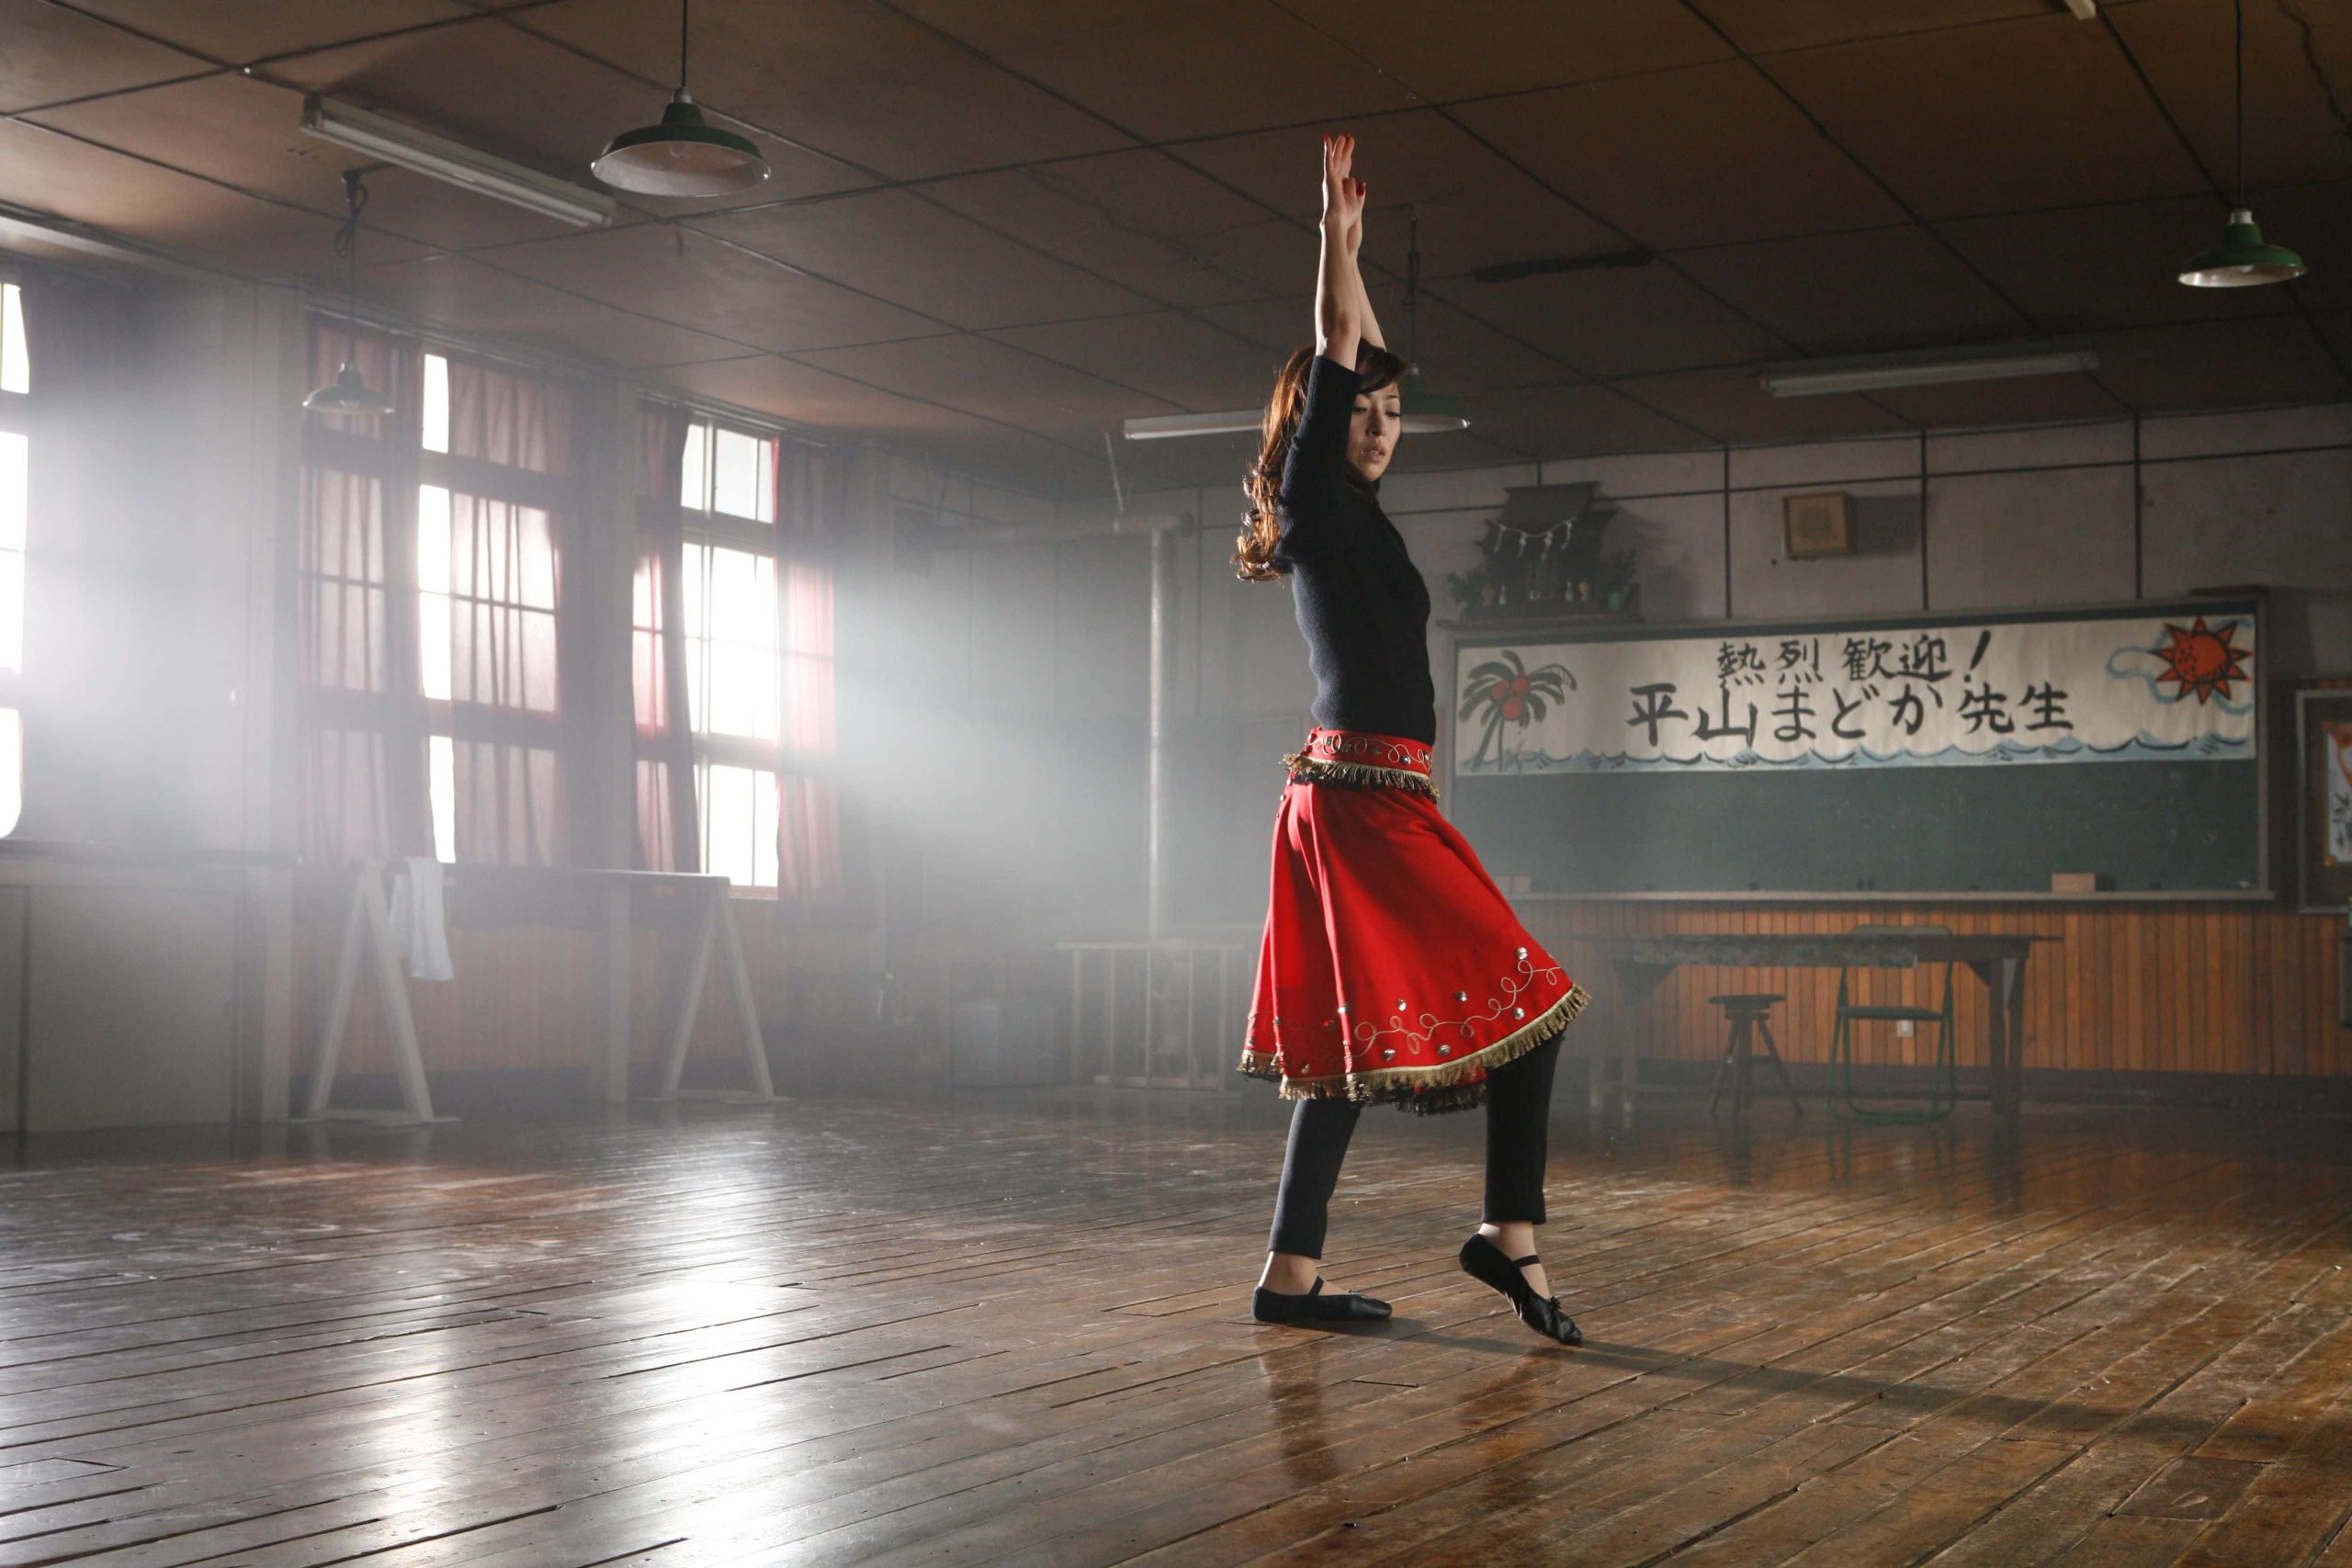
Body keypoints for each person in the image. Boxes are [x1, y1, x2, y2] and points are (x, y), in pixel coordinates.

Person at [1235, 134, 1589, 1346]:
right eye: (1365, 411)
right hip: (1357, 802)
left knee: (1346, 1053)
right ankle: (1509, 1237)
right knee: (1535, 1000)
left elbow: (1363, 352)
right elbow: (1339, 347)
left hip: (1380, 800)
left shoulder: (1359, 514)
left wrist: (1361, 270)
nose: (1381, 424)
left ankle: (1292, 1280)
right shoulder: (1314, 501)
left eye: (1393, 415)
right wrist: (1336, 241)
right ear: (1318, 421)